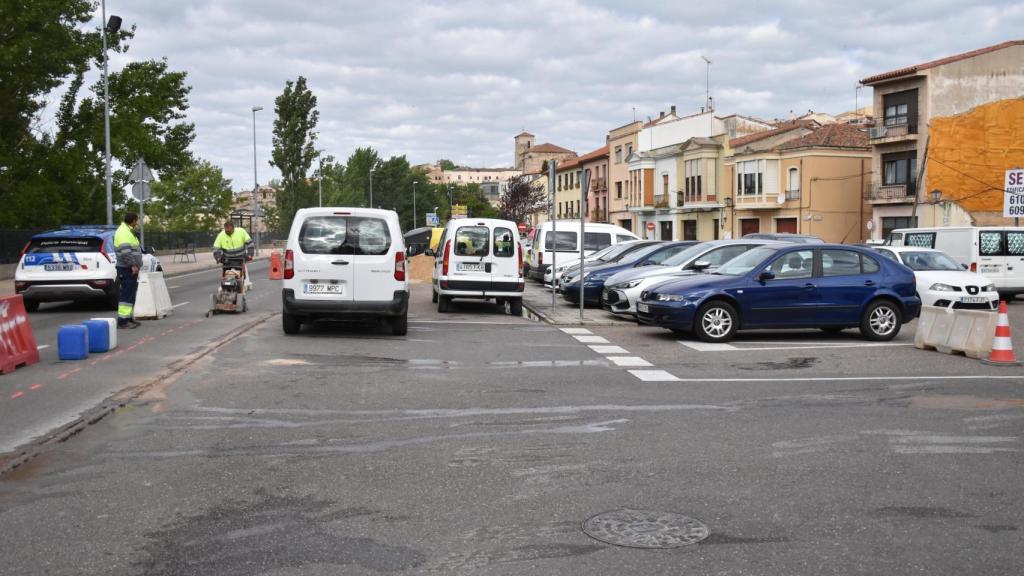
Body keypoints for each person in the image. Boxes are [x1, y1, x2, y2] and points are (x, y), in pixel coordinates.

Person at [114, 213, 143, 329]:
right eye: (137, 221)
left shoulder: (127, 230)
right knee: (126, 294)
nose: (137, 223)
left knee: (130, 293)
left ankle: (128, 318)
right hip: (126, 268)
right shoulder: (123, 232)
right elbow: (126, 252)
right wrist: (133, 265)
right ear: (133, 221)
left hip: (129, 267)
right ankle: (122, 321)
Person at [213, 221, 255, 287]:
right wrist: (218, 257)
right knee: (226, 275)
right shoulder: (221, 235)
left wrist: (250, 254)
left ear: (233, 228)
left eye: (229, 231)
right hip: (228, 259)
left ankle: (242, 286)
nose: (228, 233)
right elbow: (216, 248)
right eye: (226, 231)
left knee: (241, 276)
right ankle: (225, 287)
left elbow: (250, 244)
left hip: (240, 258)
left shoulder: (241, 231)